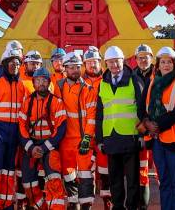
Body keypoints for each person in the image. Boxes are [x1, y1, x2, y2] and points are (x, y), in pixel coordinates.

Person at [96, 46, 147, 210]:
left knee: (132, 179)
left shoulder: (134, 80)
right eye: (110, 62)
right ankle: (118, 206)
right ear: (106, 63)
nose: (114, 66)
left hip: (130, 136)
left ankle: (132, 206)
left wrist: (141, 136)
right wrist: (99, 139)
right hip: (110, 137)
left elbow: (142, 110)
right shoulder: (102, 84)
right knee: (115, 178)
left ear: (123, 61)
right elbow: (99, 113)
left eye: (116, 62)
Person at [141, 46, 175, 210]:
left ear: (174, 64)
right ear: (158, 65)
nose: (166, 65)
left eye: (169, 62)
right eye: (163, 62)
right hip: (157, 140)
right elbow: (141, 108)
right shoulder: (151, 83)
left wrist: (158, 125)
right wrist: (147, 123)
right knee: (164, 181)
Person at [0, 44, 27, 210]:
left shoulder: (22, 86)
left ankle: (7, 203)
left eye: (17, 63)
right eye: (12, 63)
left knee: (9, 173)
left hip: (14, 134)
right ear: (5, 63)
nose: (15, 66)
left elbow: (24, 113)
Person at [19, 66, 68, 210]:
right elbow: (21, 127)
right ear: (33, 83)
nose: (41, 83)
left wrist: (45, 147)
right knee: (28, 184)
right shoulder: (27, 102)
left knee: (54, 181)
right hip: (31, 146)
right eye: (38, 80)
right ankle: (41, 206)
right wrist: (30, 147)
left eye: (44, 80)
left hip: (50, 146)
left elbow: (61, 129)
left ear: (49, 83)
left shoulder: (57, 102)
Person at [56, 52, 97, 210]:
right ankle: (73, 203)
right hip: (65, 140)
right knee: (68, 175)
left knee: (86, 175)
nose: (74, 70)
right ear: (65, 69)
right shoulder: (59, 87)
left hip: (82, 140)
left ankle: (86, 205)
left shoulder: (88, 90)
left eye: (77, 67)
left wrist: (87, 138)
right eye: (71, 67)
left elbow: (91, 117)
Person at [82, 48, 110, 206]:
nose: (93, 65)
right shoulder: (78, 82)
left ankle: (108, 203)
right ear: (84, 64)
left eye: (96, 62)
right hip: (84, 135)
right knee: (86, 173)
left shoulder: (107, 80)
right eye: (90, 62)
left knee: (106, 172)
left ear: (101, 63)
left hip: (103, 133)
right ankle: (88, 204)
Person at [132, 43, 154, 209]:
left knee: (162, 169)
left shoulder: (159, 73)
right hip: (140, 128)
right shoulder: (132, 77)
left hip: (159, 127)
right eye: (140, 57)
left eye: (146, 57)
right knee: (142, 169)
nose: (143, 60)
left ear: (151, 58)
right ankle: (143, 205)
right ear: (136, 60)